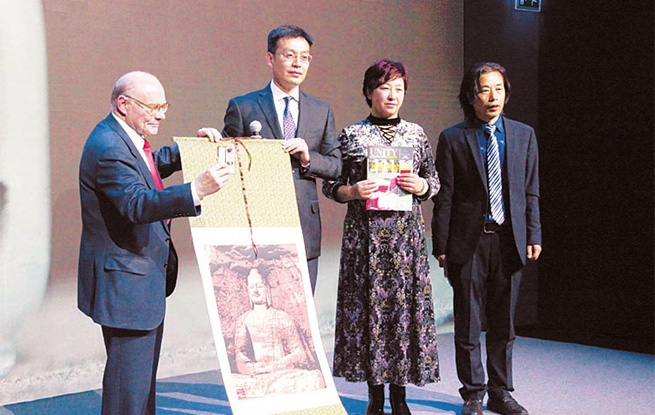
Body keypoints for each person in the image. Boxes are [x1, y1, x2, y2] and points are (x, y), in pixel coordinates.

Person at [78, 71, 232, 415]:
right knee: (127, 393)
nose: (161, 115)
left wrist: (188, 150)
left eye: (164, 106)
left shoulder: (122, 136)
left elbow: (148, 166)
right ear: (123, 104)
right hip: (126, 285)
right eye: (153, 107)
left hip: (139, 281)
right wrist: (196, 189)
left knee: (138, 388)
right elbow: (136, 203)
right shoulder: (108, 147)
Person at [323, 59, 440, 415]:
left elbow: (434, 181)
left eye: (399, 89)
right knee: (370, 313)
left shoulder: (416, 134)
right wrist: (352, 191)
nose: (393, 95)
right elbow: (331, 184)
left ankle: (400, 396)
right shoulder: (351, 135)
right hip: (366, 241)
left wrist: (421, 186)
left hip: (406, 241)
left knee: (402, 312)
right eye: (385, 87)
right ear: (369, 92)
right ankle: (375, 396)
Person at [431, 62, 542, 415]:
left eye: (498, 88)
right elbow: (445, 196)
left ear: (506, 93)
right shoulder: (453, 137)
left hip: (510, 239)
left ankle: (500, 392)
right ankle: (473, 394)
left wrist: (534, 233)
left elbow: (530, 190)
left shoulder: (524, 135)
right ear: (470, 95)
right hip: (468, 242)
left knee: (504, 323)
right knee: (468, 323)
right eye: (484, 89)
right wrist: (441, 245)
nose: (492, 96)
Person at [197, 24, 341, 293]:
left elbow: (336, 165)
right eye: (289, 55)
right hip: (258, 226)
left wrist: (309, 158)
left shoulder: (320, 110)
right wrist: (208, 142)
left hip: (304, 226)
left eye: (305, 57)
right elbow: (226, 157)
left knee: (303, 307)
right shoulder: (244, 106)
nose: (297, 63)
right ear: (270, 58)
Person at [232, 266, 325, 398]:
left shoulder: (282, 317)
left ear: (267, 288)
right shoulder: (243, 320)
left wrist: (278, 365)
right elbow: (240, 353)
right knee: (235, 383)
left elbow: (299, 353)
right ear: (248, 290)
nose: (255, 291)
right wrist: (253, 368)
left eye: (259, 286)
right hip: (258, 374)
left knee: (314, 378)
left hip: (283, 372)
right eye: (252, 287)